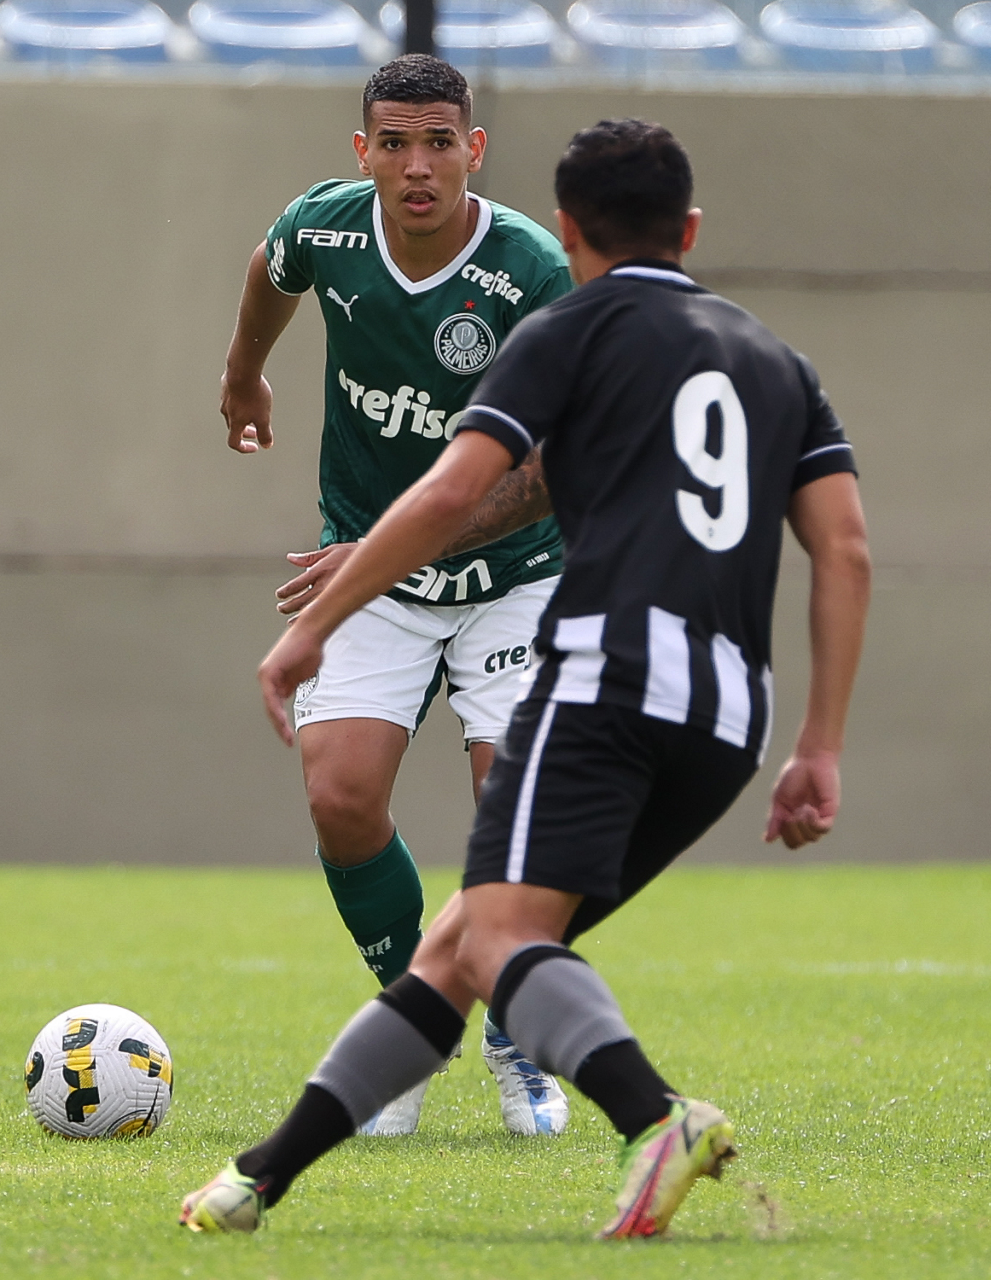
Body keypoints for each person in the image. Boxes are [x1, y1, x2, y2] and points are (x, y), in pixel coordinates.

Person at [182, 117, 870, 1238]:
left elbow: (455, 489)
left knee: (497, 940)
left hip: (606, 684)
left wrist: (323, 619)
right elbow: (843, 552)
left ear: (566, 230)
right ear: (691, 230)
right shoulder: (776, 361)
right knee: (465, 943)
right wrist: (821, 745)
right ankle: (258, 1179)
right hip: (728, 719)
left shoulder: (569, 328)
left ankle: (657, 1115)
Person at [221, 54, 574, 1137]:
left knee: (514, 813)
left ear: (475, 149)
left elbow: (554, 469)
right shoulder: (325, 228)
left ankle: (515, 1027)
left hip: (513, 574)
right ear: (362, 151)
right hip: (371, 573)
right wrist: (243, 374)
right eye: (394, 143)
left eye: (438, 143)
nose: (417, 166)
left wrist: (384, 547)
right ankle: (413, 1021)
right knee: (339, 795)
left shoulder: (530, 271)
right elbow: (272, 266)